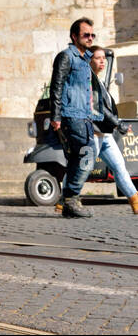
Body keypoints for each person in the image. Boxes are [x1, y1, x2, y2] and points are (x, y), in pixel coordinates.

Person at [49, 17, 99, 218]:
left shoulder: (85, 58)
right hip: (71, 115)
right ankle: (71, 198)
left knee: (75, 159)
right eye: (86, 35)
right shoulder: (66, 56)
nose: (90, 38)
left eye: (92, 35)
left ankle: (68, 201)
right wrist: (56, 115)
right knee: (89, 153)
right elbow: (57, 85)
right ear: (74, 36)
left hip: (84, 115)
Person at [89, 47, 138, 214]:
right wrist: (118, 124)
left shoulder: (99, 81)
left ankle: (135, 201)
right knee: (83, 168)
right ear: (89, 60)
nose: (103, 61)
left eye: (104, 58)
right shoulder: (88, 81)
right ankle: (64, 201)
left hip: (105, 134)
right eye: (98, 58)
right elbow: (99, 108)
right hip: (94, 133)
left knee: (119, 166)